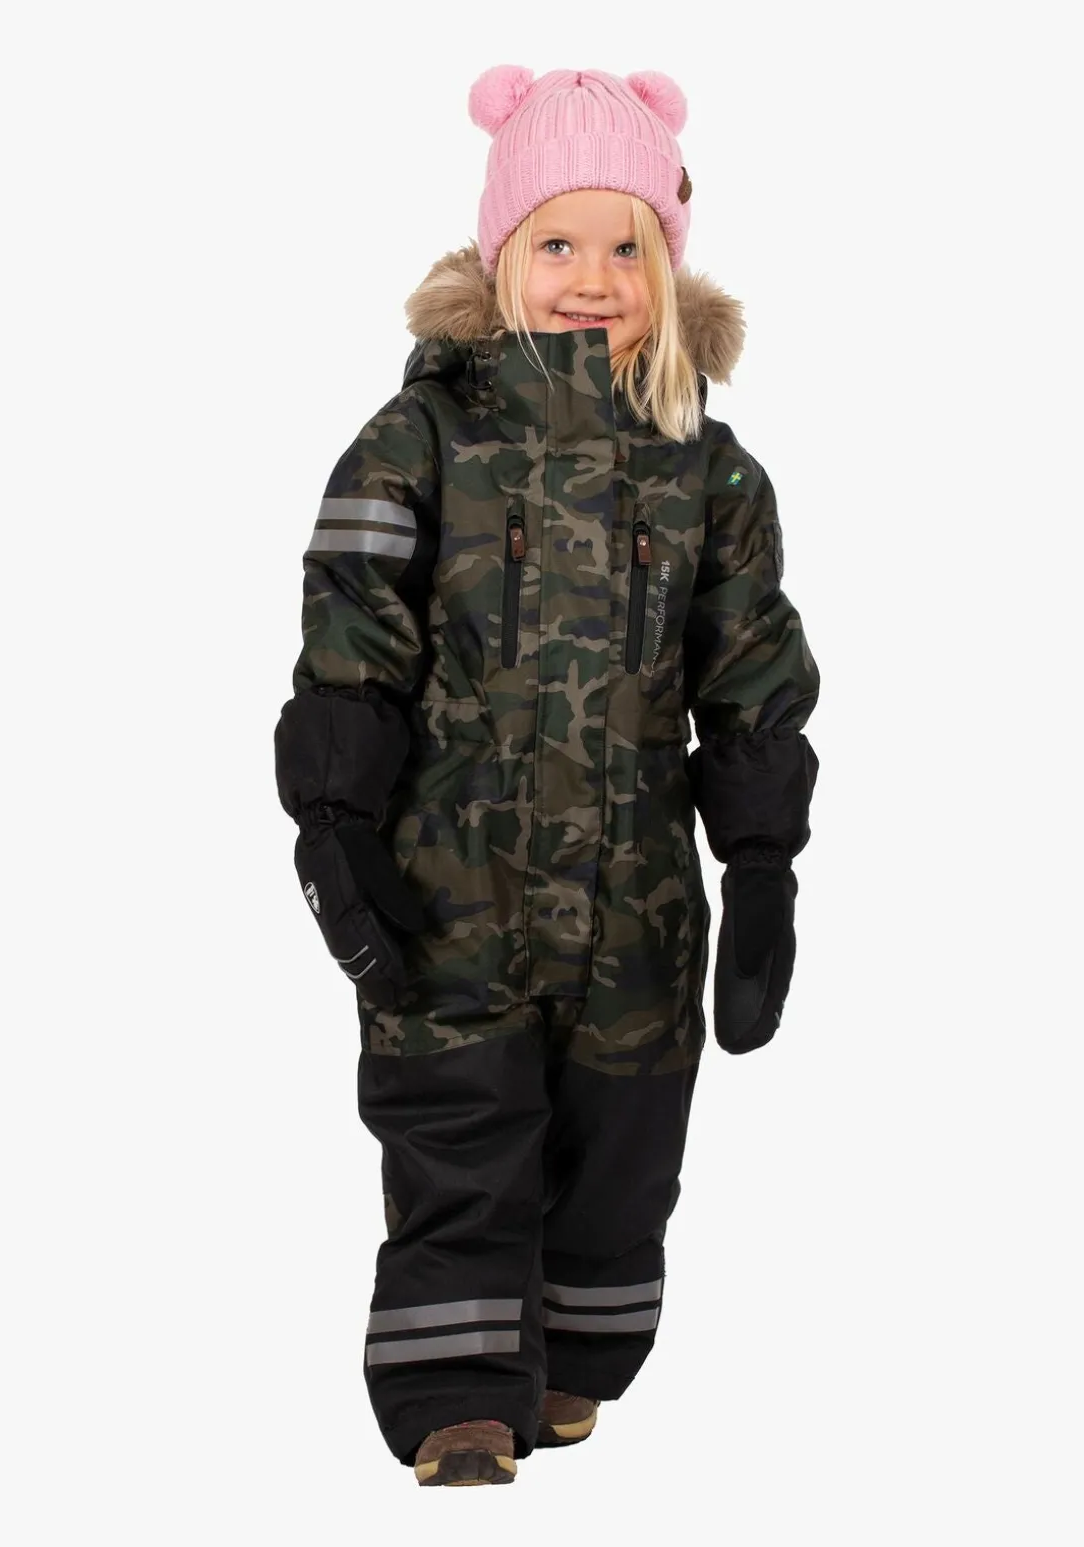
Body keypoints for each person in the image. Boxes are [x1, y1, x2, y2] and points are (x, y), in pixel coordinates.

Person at [273, 64, 820, 1488]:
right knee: (457, 1136)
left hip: (640, 903)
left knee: (623, 1154)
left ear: (668, 267)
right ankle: (459, 1400)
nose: (593, 279)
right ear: (503, 252)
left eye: (627, 247)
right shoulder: (419, 443)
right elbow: (350, 639)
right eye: (558, 242)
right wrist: (335, 821)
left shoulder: (712, 474)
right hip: (453, 887)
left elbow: (750, 673)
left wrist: (763, 864)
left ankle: (574, 1365)